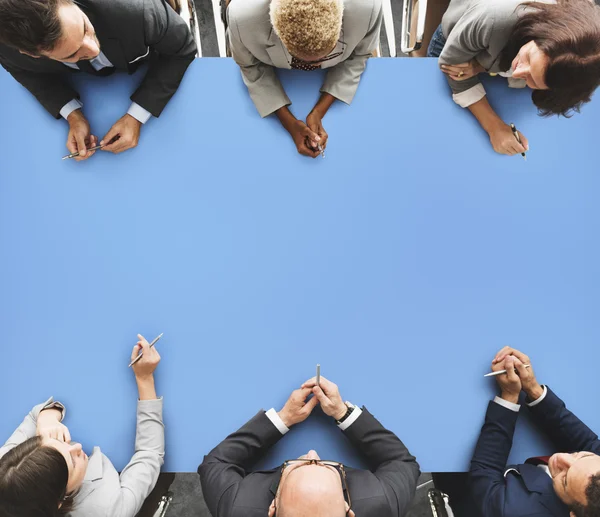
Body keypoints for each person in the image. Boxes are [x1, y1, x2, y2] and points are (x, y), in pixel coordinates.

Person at [0, 0, 196, 161]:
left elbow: (181, 49)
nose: (93, 50)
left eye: (84, 28)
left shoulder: (136, 10)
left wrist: (137, 116)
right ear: (31, 54)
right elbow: (26, 73)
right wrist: (73, 115)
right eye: (73, 54)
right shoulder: (9, 53)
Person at [199, 375, 420, 517]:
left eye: (298, 465)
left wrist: (284, 418)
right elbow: (401, 462)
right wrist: (343, 413)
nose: (313, 452)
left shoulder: (240, 508)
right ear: (348, 510)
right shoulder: (378, 504)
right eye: (327, 466)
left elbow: (216, 464)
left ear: (272, 507)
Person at [0, 335, 164, 517]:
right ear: (59, 502)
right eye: (72, 463)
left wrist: (46, 418)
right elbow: (150, 454)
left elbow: (34, 416)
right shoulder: (108, 510)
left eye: (59, 444)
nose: (77, 447)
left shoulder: (8, 470)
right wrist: (145, 379)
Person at [427, 0, 600, 156]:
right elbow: (451, 68)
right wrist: (494, 127)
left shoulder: (586, 50)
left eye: (533, 80)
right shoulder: (492, 19)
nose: (517, 74)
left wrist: (481, 67)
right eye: (529, 59)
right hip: (456, 39)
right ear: (540, 34)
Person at [225, 0, 382, 158]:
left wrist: (318, 111)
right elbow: (250, 65)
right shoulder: (241, 18)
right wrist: (290, 123)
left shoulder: (369, 8)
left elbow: (359, 55)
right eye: (299, 59)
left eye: (327, 55)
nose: (313, 66)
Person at [469, 346, 600, 517]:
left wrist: (509, 396)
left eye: (565, 479)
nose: (561, 457)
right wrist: (533, 389)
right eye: (582, 456)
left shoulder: (515, 510)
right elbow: (588, 444)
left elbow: (484, 470)